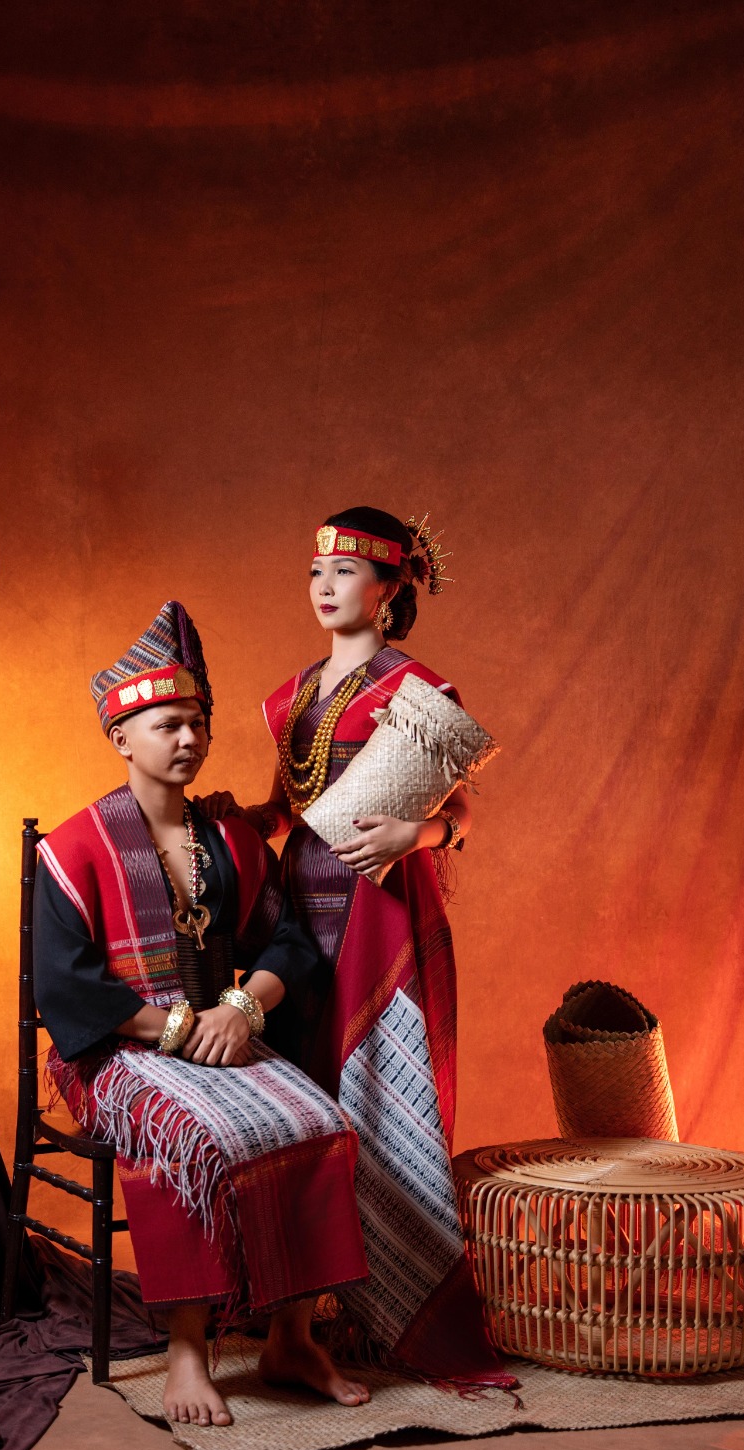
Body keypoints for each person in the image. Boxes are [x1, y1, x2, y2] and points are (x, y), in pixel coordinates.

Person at [33, 599, 372, 1428]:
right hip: (116, 1049)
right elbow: (67, 987)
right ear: (122, 738)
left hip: (223, 1033)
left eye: (197, 724)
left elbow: (289, 943)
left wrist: (244, 1008)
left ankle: (291, 1338)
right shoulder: (73, 849)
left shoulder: (230, 842)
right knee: (189, 1133)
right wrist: (179, 1029)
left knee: (322, 1124)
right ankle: (187, 1351)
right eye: (167, 726)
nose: (188, 739)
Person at [198, 508, 510, 1386]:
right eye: (316, 571)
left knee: (368, 1101)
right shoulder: (293, 695)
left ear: (387, 590)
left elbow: (458, 811)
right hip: (298, 918)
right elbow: (288, 809)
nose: (325, 586)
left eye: (345, 572)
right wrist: (240, 819)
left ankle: (384, 1317)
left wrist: (417, 834)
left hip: (379, 917)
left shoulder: (416, 689)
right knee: (303, 1105)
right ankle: (292, 1327)